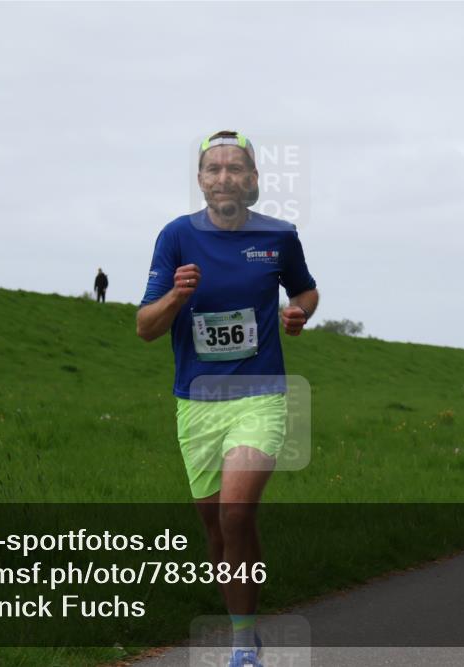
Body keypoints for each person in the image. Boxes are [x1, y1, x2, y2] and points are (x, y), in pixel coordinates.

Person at [136, 130, 318, 667]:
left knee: (236, 512)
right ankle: (246, 628)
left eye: (235, 168)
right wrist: (177, 295)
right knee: (216, 528)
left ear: (253, 178)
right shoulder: (176, 237)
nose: (224, 177)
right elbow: (146, 327)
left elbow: (305, 290)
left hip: (259, 395)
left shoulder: (279, 236)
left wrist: (298, 313)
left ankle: (241, 648)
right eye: (213, 169)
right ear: (200, 180)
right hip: (196, 402)